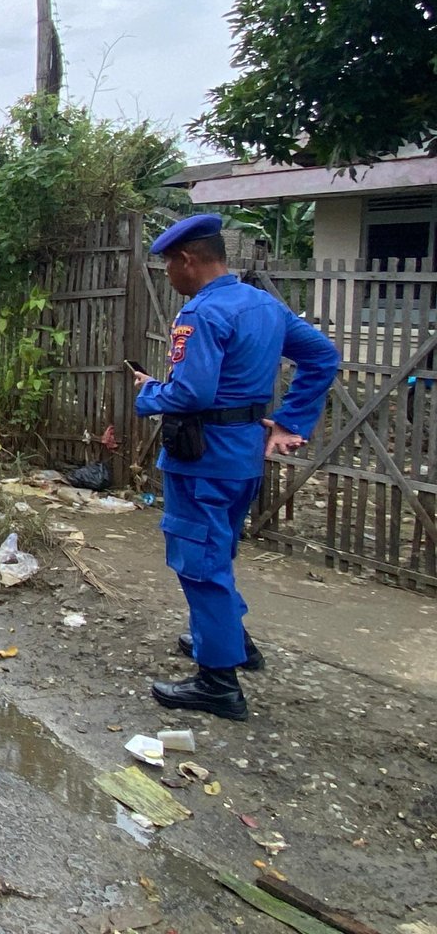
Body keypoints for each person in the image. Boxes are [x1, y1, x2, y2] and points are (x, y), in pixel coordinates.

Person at [133, 214, 338, 721]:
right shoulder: (263, 305)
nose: (167, 276)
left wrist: (147, 393)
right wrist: (290, 421)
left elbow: (191, 392)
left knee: (199, 565)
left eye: (167, 266)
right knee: (218, 552)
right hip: (242, 456)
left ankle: (218, 683)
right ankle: (233, 642)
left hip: (202, 458)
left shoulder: (200, 314)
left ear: (187, 260)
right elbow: (323, 357)